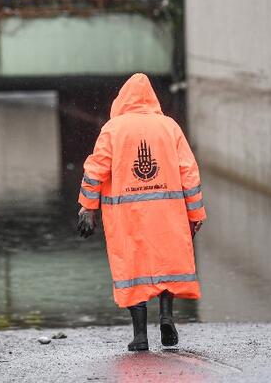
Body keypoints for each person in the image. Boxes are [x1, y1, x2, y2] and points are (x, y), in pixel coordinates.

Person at [77, 73, 205, 351]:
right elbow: (189, 172)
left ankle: (140, 336)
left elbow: (95, 169)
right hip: (167, 214)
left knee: (133, 269)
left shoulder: (113, 129)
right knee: (166, 263)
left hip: (127, 217)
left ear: (121, 99)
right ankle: (167, 316)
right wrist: (195, 214)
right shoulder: (169, 127)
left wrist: (87, 207)